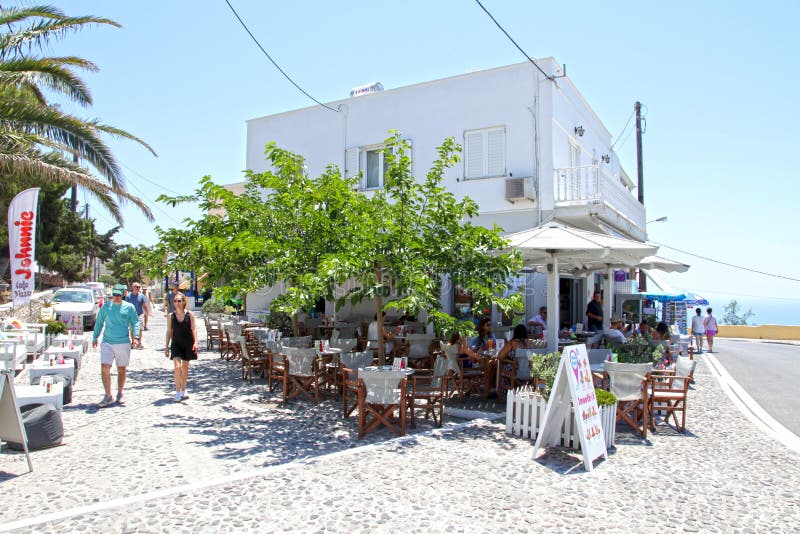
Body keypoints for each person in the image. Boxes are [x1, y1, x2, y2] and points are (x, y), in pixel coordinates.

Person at [92, 284, 140, 407]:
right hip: (107, 342)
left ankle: (120, 392)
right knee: (104, 367)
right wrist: (95, 337)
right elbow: (99, 322)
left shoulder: (129, 307)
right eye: (115, 294)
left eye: (119, 294)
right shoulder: (106, 307)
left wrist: (136, 337)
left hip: (123, 342)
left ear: (123, 294)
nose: (117, 297)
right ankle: (108, 395)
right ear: (112, 294)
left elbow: (135, 322)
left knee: (121, 369)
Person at [164, 292, 198, 402]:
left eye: (179, 301)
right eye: (175, 301)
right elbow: (169, 331)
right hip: (176, 344)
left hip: (188, 343)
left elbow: (194, 329)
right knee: (177, 367)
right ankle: (178, 392)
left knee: (185, 367)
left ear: (184, 302)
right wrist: (166, 346)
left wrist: (196, 342)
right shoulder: (171, 316)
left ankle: (184, 389)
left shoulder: (190, 315)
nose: (177, 303)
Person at [124, 282, 146, 348]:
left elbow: (144, 304)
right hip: (131, 315)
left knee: (140, 328)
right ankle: (133, 342)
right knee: (132, 328)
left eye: (139, 287)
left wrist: (147, 312)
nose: (138, 288)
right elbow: (125, 306)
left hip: (140, 314)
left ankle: (139, 342)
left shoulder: (141, 296)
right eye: (136, 287)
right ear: (132, 287)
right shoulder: (128, 296)